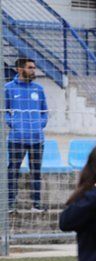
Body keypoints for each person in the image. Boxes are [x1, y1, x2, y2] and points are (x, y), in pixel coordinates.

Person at [5, 58, 47, 211]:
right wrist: (14, 124)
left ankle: (36, 204)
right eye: (30, 67)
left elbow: (44, 111)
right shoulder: (8, 88)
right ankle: (10, 203)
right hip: (17, 138)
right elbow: (4, 111)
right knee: (13, 170)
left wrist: (40, 125)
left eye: (34, 68)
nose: (33, 70)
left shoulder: (38, 89)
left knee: (36, 171)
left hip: (37, 138)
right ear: (19, 69)